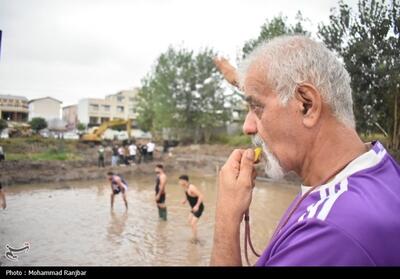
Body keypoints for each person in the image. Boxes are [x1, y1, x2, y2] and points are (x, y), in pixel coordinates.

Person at [210, 35, 400, 266]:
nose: (248, 127)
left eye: (257, 107)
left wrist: (226, 218)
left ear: (307, 105)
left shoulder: (330, 231)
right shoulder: (378, 165)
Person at [178, 175, 204, 243]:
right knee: (189, 221)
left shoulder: (191, 188)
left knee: (193, 223)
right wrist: (185, 200)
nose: (179, 182)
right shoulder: (185, 188)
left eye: (180, 181)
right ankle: (194, 234)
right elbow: (188, 195)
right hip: (193, 208)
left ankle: (195, 239)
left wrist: (197, 206)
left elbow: (201, 195)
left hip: (199, 207)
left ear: (184, 181)